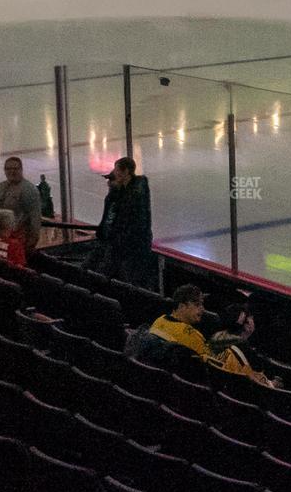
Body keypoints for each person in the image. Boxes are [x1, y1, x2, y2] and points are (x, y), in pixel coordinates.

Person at [133, 285, 272, 385]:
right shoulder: (189, 335)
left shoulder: (159, 320)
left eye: (202, 304)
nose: (202, 309)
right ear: (182, 306)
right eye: (197, 305)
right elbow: (217, 362)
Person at [91, 156, 152, 285]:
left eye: (117, 170)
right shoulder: (121, 191)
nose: (114, 175)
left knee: (128, 280)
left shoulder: (134, 194)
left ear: (126, 172)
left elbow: (130, 220)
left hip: (131, 247)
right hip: (119, 244)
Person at [0, 156, 43, 252]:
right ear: (4, 170)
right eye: (8, 169)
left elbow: (35, 221)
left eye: (15, 168)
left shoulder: (28, 190)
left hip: (18, 242)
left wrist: (28, 246)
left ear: (21, 169)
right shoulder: (0, 187)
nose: (11, 171)